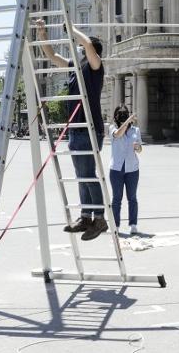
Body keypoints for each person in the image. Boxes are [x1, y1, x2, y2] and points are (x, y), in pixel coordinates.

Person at [36, 18, 108, 242]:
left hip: (89, 128)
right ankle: (86, 217)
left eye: (81, 48)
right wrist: (42, 35)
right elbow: (52, 56)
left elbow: (86, 45)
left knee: (88, 175)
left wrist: (73, 29)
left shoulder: (95, 67)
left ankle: (100, 219)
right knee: (81, 176)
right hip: (76, 129)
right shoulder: (75, 68)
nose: (77, 49)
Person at [108, 106, 143, 237]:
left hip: (132, 168)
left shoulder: (136, 130)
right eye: (120, 114)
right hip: (116, 168)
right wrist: (128, 121)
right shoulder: (112, 128)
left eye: (125, 114)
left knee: (132, 198)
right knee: (116, 198)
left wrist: (138, 147)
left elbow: (139, 149)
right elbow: (118, 134)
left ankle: (133, 225)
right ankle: (115, 225)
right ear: (116, 115)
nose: (122, 116)